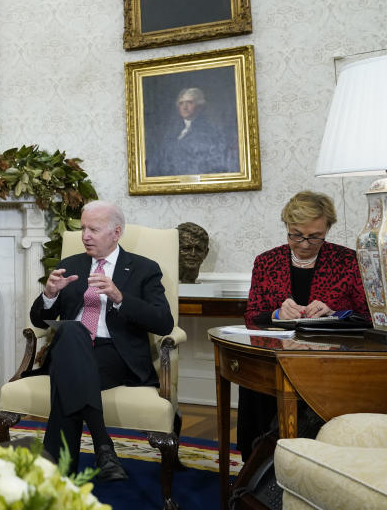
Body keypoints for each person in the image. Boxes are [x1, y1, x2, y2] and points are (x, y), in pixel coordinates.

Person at [29, 200, 174, 480]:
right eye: (83, 228)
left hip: (116, 354)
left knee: (67, 372)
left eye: (93, 229)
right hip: (73, 347)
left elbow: (163, 321)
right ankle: (103, 446)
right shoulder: (69, 265)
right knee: (71, 332)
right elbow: (38, 320)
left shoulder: (144, 269)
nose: (84, 235)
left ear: (116, 232)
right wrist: (49, 295)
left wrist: (121, 298)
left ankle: (58, 477)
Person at [238, 190, 371, 460]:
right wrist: (276, 314)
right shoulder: (266, 261)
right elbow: (252, 315)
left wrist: (337, 312)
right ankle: (260, 457)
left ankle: (316, 456)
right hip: (276, 354)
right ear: (287, 227)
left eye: (315, 236)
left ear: (327, 229)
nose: (305, 243)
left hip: (329, 359)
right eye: (296, 234)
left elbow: (369, 315)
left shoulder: (348, 261)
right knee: (255, 380)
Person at [147, 87, 235, 177]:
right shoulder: (173, 132)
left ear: (200, 106)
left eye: (190, 102)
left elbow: (214, 163)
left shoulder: (211, 132)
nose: (184, 107)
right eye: (181, 103)